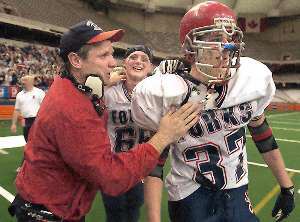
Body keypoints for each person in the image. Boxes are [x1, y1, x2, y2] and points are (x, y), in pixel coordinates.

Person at [8, 19, 200, 222]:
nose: (113, 62)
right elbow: (111, 177)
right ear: (76, 61)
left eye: (111, 53)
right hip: (50, 213)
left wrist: (98, 89)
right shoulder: (72, 108)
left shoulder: (73, 87)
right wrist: (163, 137)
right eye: (103, 55)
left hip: (55, 204)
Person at [131, 2, 295, 222]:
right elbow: (155, 164)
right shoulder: (167, 93)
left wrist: (286, 186)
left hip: (237, 191)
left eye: (230, 39)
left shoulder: (249, 82)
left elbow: (262, 133)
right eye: (215, 39)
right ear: (191, 47)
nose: (226, 48)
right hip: (190, 198)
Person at [101, 45, 156, 222]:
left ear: (151, 67)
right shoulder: (109, 92)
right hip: (112, 166)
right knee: (116, 215)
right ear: (124, 63)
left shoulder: (157, 95)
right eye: (133, 57)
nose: (138, 61)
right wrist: (103, 82)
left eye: (144, 59)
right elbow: (78, 96)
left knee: (133, 212)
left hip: (138, 167)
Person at [10, 75, 45, 142]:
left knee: (39, 143)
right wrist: (13, 124)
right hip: (26, 121)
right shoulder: (19, 95)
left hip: (38, 121)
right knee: (27, 142)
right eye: (22, 80)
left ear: (31, 82)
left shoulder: (39, 92)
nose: (23, 82)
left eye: (25, 80)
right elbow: (16, 110)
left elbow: (46, 107)